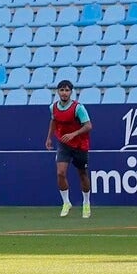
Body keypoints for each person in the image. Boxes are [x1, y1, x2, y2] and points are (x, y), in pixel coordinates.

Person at [43, 79, 93, 219]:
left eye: (67, 90)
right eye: (62, 90)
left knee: (82, 174)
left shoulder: (78, 108)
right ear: (58, 92)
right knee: (60, 173)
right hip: (64, 143)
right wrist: (49, 138)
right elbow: (53, 121)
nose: (64, 93)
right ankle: (66, 202)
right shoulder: (53, 107)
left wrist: (73, 134)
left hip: (80, 144)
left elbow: (88, 125)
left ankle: (86, 203)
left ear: (71, 92)